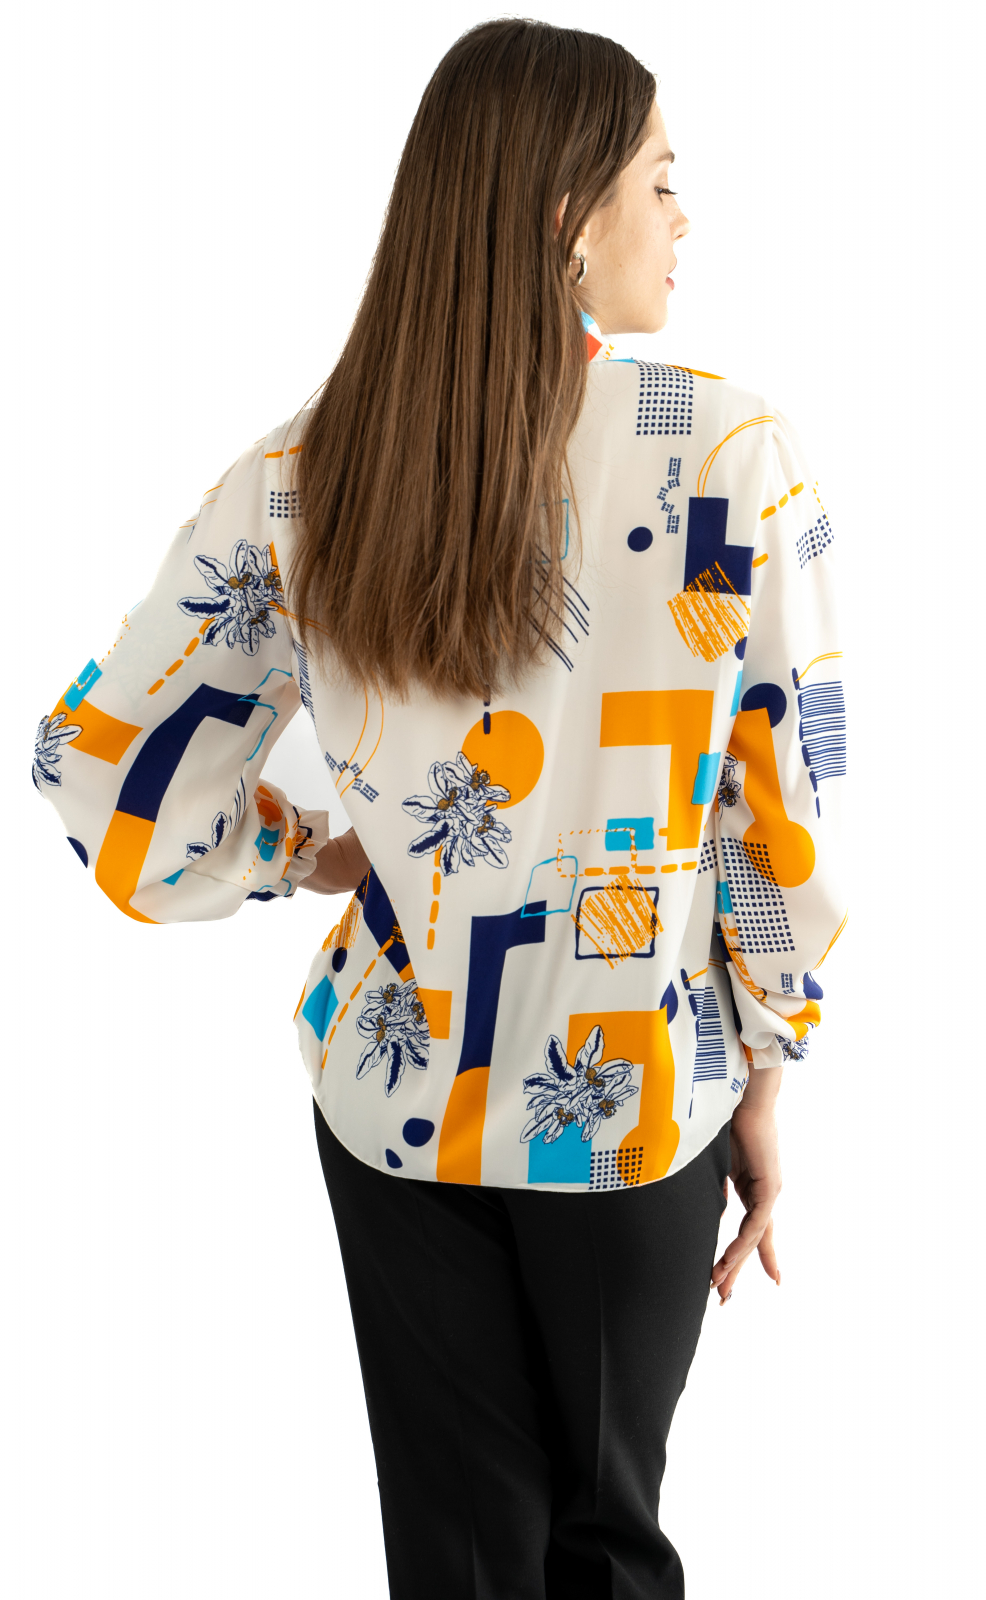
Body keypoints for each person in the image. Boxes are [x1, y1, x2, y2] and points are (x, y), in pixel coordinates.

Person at [32, 18, 847, 1598]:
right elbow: (783, 807)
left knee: (458, 1560)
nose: (682, 215)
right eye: (659, 181)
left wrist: (304, 853)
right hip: (629, 1096)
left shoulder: (304, 472)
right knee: (610, 1544)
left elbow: (103, 766)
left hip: (396, 1092)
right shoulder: (733, 456)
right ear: (563, 216)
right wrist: (767, 1062)